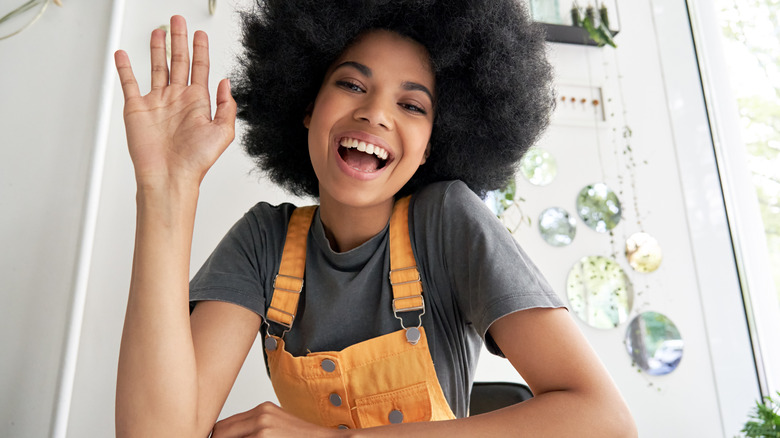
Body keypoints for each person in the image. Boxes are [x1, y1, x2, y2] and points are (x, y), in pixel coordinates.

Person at [113, 0, 637, 436]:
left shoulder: (445, 222)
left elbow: (603, 420)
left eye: (412, 106)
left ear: (433, 145)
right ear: (307, 106)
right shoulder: (263, 242)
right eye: (351, 85)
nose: (376, 113)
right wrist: (167, 187)